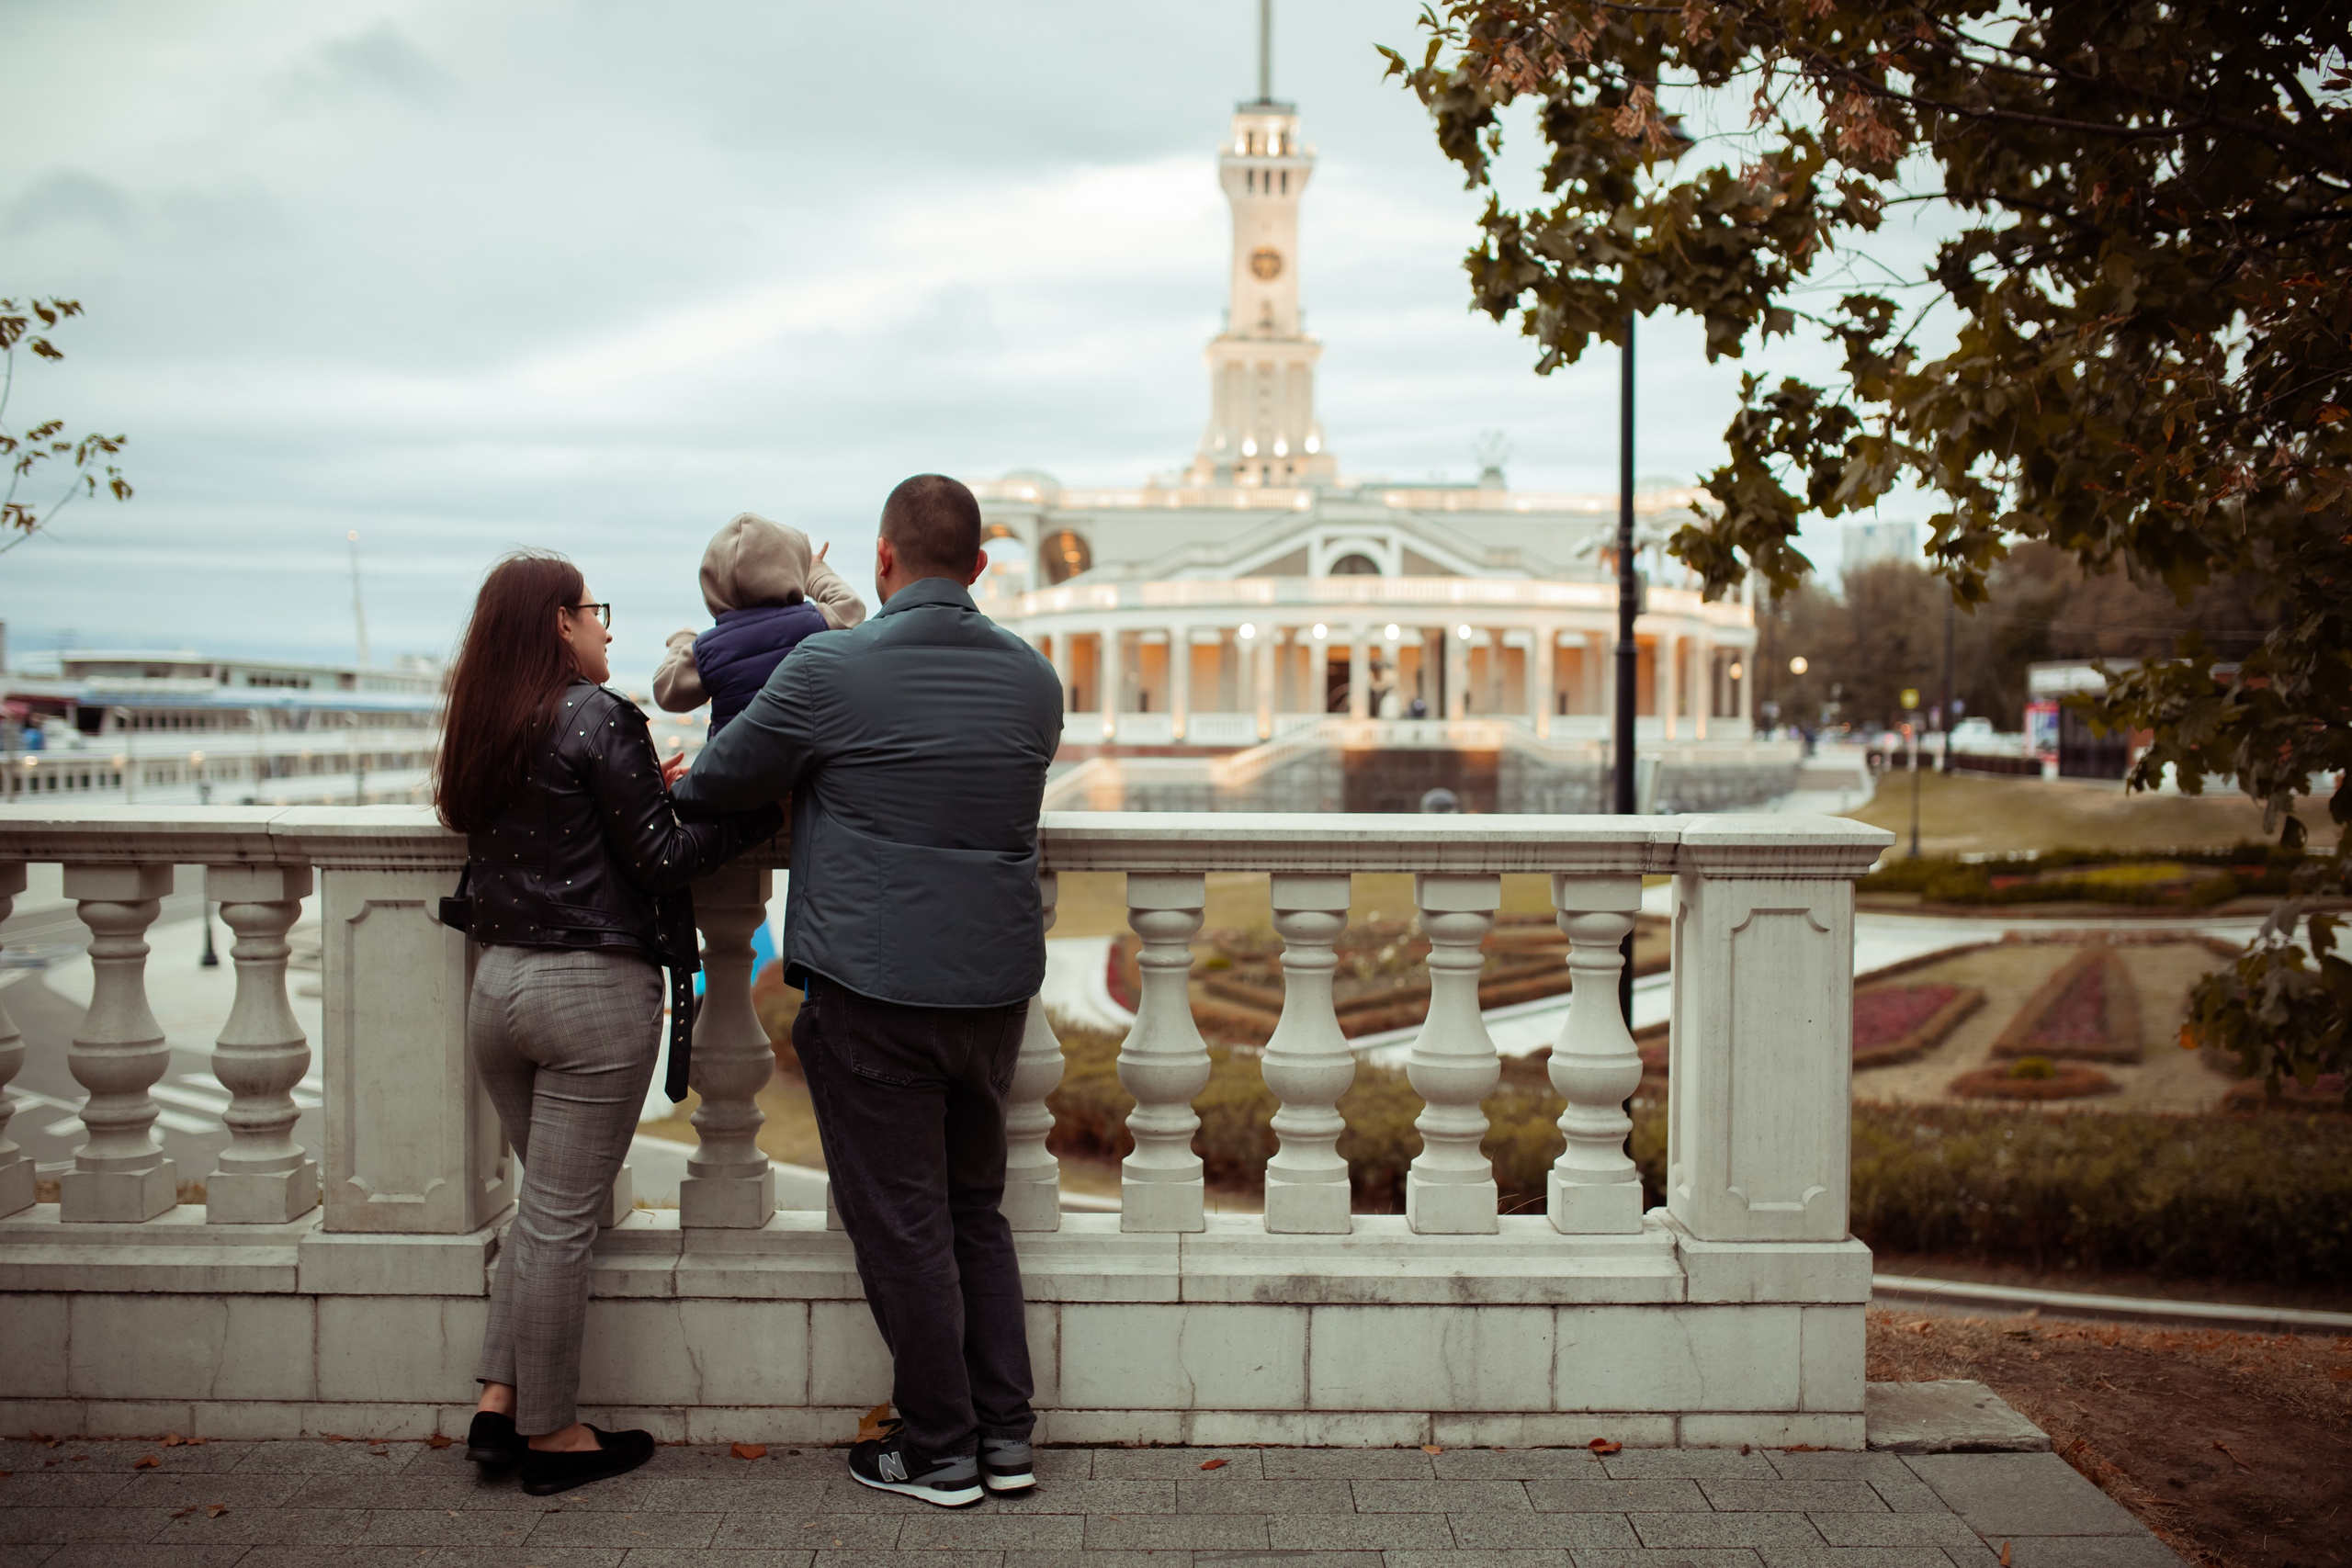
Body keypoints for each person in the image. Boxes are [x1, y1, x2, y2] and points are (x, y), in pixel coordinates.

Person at [672, 473, 1062, 1509]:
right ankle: (1006, 1441)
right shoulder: (1034, 679)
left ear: (882, 562)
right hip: (991, 991)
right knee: (975, 1211)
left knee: (904, 1226)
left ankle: (938, 1450)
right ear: (979, 567)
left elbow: (718, 781)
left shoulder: (829, 667)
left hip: (874, 988)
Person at [435, 551, 781, 1496]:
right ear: (558, 621)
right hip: (587, 993)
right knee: (556, 1224)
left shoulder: (483, 722)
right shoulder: (596, 713)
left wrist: (638, 785)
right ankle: (554, 1438)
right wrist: (759, 813)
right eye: (596, 612)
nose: (607, 629)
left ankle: (499, 1406)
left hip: (497, 989)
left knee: (542, 1209)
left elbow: (562, 822)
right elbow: (663, 858)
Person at [653, 512, 866, 735]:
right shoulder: (813, 623)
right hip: (808, 759)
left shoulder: (708, 651)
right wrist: (814, 571)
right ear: (791, 570)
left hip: (736, 765)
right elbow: (852, 606)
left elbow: (665, 691)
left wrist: (683, 640)